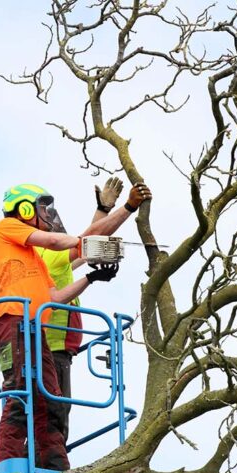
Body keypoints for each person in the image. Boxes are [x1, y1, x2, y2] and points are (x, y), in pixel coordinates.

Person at [0, 183, 119, 471]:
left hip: (35, 331)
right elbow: (54, 241)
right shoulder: (6, 227)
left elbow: (55, 297)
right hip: (12, 322)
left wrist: (91, 278)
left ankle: (53, 465)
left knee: (51, 397)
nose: (46, 215)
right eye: (41, 208)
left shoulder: (34, 258)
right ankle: (7, 464)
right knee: (21, 393)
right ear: (24, 208)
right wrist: (85, 242)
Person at [35, 178, 153, 441]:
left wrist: (103, 210)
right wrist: (128, 207)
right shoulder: (49, 254)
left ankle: (48, 457)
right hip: (53, 349)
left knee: (51, 408)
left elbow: (85, 247)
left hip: (55, 348)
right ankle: (52, 463)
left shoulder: (48, 261)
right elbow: (90, 240)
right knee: (56, 409)